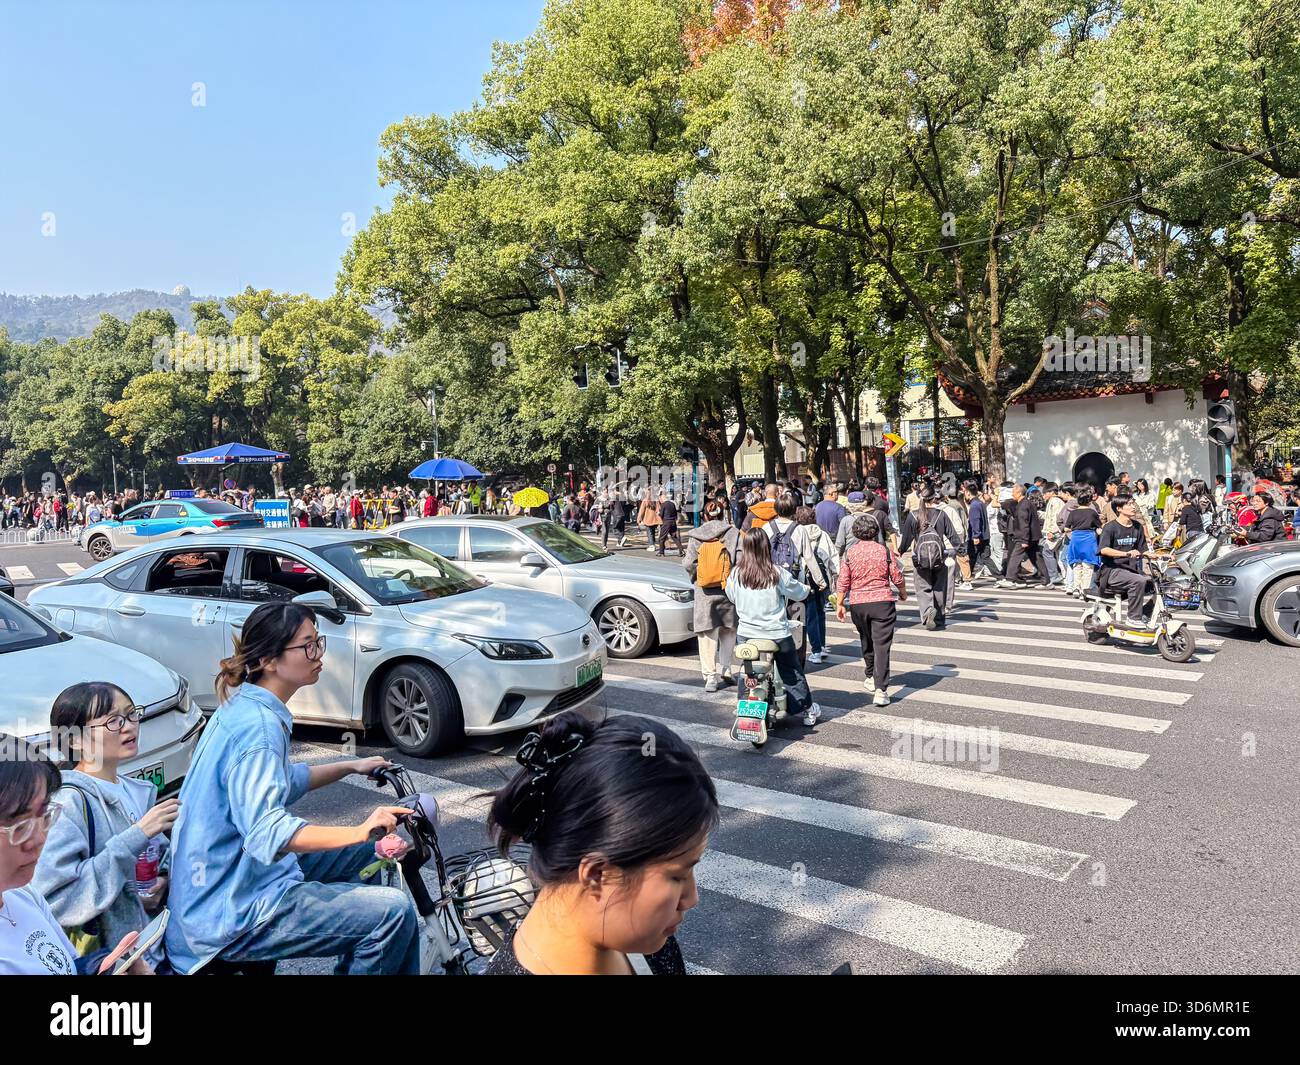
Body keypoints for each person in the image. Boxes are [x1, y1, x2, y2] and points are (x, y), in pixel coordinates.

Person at [164, 602, 419, 975]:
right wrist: (358, 829)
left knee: (370, 855)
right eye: (307, 646)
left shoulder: (247, 706)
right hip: (231, 903)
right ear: (269, 659)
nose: (318, 655)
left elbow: (283, 782)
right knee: (391, 913)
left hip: (236, 877)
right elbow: (268, 832)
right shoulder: (259, 728)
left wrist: (350, 765)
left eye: (319, 642)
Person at [484, 711, 718, 975]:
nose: (691, 899)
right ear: (597, 875)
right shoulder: (633, 932)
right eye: (677, 876)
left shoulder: (640, 940)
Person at [33, 683, 178, 969]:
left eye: (131, 714)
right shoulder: (69, 801)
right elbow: (57, 899)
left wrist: (162, 881)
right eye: (113, 720)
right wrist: (137, 836)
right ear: (74, 739)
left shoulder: (136, 790)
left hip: (153, 950)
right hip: (115, 963)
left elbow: (150, 863)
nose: (129, 727)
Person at [0, 734, 153, 975]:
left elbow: (67, 966)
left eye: (44, 816)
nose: (39, 838)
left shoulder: (22, 894)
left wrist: (104, 966)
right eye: (20, 827)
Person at [725, 528, 822, 726]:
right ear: (766, 548)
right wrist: (808, 589)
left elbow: (731, 597)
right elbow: (798, 592)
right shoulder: (776, 573)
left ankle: (743, 703)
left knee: (748, 670)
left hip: (746, 635)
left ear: (746, 549)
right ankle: (807, 709)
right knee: (792, 671)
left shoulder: (736, 574)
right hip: (776, 634)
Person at [836, 513, 907, 707]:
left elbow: (843, 581)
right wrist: (903, 592)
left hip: (858, 603)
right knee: (882, 646)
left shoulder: (850, 553)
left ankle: (869, 675)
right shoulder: (884, 551)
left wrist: (840, 604)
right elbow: (897, 576)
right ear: (875, 531)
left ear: (856, 532)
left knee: (865, 639)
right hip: (882, 602)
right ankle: (881, 689)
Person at [683, 500, 741, 691]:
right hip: (728, 590)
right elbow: (740, 560)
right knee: (729, 630)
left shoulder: (696, 536)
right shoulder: (733, 533)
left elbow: (688, 563)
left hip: (704, 593)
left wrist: (698, 577)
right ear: (723, 513)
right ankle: (726, 668)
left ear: (705, 515)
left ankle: (710, 677)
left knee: (708, 635)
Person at [898, 484, 961, 630]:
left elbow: (907, 538)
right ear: (934, 498)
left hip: (919, 558)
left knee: (922, 587)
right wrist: (961, 551)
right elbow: (953, 536)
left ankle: (927, 613)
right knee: (939, 587)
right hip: (940, 557)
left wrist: (901, 550)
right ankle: (939, 618)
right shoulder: (941, 514)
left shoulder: (913, 515)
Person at [1098, 494, 1152, 623]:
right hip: (1112, 571)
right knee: (1138, 581)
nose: (1133, 507)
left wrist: (1160, 555)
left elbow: (1143, 550)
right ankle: (1133, 618)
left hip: (1132, 570)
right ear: (1119, 508)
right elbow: (1103, 550)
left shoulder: (1137, 526)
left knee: (1159, 584)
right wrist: (1126, 554)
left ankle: (1145, 612)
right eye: (1129, 504)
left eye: (1133, 503)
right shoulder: (1110, 527)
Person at [795, 504, 837, 663]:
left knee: (809, 615)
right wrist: (835, 577)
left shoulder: (797, 534)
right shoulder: (823, 535)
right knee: (820, 613)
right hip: (822, 578)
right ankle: (822, 644)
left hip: (805, 577)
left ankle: (816, 650)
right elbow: (833, 557)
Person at [999, 483, 1050, 589]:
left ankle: (1009, 579)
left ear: (1018, 492)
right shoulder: (1027, 503)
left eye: (1013, 492)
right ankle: (1047, 581)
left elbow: (1024, 523)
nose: (1012, 494)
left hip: (1024, 536)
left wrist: (1024, 540)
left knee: (1015, 556)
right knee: (1035, 557)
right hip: (1032, 536)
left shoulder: (1023, 505)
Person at [1063, 484, 1102, 597]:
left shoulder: (1073, 513)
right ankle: (1085, 590)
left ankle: (1076, 588)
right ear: (1089, 501)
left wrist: (1073, 534)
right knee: (1088, 566)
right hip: (1089, 539)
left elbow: (1066, 528)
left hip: (1075, 539)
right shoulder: (1092, 513)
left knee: (1076, 564)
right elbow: (1099, 527)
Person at [964, 480, 993, 578]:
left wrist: (976, 535)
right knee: (981, 557)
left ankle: (966, 577)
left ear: (968, 493)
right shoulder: (980, 503)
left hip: (977, 536)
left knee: (973, 556)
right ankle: (999, 576)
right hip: (983, 534)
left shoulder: (974, 505)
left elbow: (975, 521)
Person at [657, 490, 684, 557]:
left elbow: (661, 515)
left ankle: (661, 552)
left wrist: (658, 513)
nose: (659, 500)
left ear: (661, 497)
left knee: (662, 537)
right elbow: (675, 513)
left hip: (666, 522)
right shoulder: (672, 504)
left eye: (659, 499)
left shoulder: (663, 505)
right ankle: (681, 551)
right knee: (674, 537)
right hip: (673, 522)